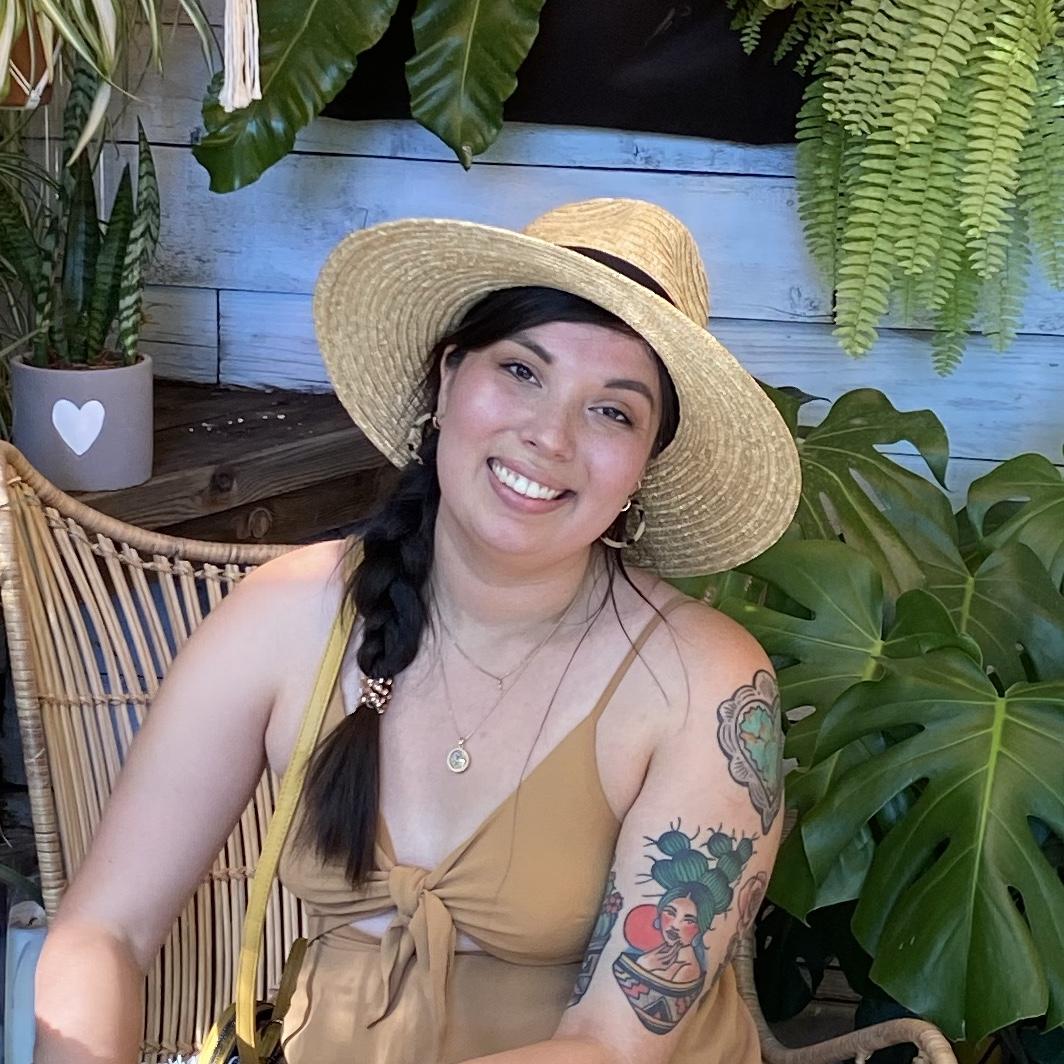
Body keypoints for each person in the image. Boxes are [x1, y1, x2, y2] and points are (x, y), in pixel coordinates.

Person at [35, 197, 800, 1064]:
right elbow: (104, 930)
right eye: (522, 371)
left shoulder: (703, 681)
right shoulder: (289, 615)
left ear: (642, 468)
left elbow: (614, 1048)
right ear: (447, 378)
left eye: (613, 412)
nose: (549, 436)